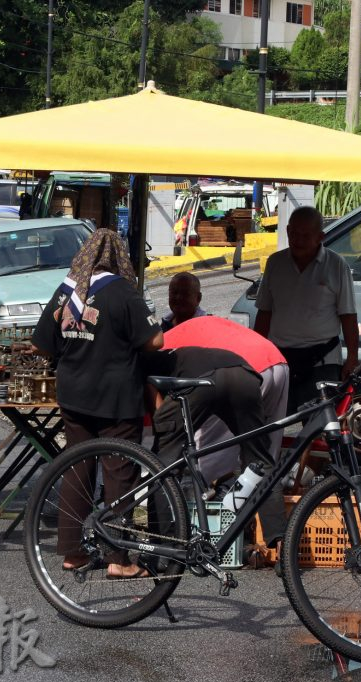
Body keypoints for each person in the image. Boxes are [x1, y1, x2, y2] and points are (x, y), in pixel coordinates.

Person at [31, 228, 163, 577]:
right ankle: (119, 559)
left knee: (77, 469)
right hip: (116, 399)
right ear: (119, 257)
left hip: (74, 395)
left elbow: (41, 344)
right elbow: (156, 341)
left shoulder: (66, 290)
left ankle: (73, 553)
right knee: (119, 472)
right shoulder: (123, 292)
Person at [144, 345, 288, 550]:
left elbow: (155, 402)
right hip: (243, 374)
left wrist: (167, 431)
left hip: (203, 381)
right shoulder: (186, 352)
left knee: (162, 465)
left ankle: (163, 547)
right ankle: (282, 544)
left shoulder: (147, 360)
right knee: (261, 461)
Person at [161, 315, 289, 486]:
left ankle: (202, 496)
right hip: (276, 359)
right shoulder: (176, 335)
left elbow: (164, 417)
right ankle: (256, 502)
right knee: (263, 458)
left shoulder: (157, 350)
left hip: (243, 366)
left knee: (206, 454)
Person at [254, 206, 357, 411]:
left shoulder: (336, 265)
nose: (298, 240)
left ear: (320, 237)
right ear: (287, 231)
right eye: (294, 234)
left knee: (318, 426)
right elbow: (265, 312)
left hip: (322, 360)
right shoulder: (276, 263)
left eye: (305, 235)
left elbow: (348, 315)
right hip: (280, 359)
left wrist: (352, 358)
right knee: (276, 422)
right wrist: (257, 354)